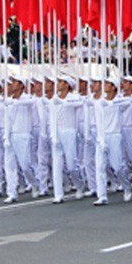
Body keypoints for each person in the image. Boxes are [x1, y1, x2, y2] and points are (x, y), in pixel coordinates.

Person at [92, 77, 132, 205]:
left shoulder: (120, 101)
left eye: (109, 84)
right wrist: (100, 139)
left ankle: (126, 187)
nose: (106, 86)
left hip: (115, 135)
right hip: (102, 136)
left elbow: (128, 102)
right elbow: (98, 122)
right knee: (99, 167)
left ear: (114, 87)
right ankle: (102, 195)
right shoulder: (99, 103)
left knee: (118, 167)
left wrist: (111, 103)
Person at [50, 75, 85, 204]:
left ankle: (79, 184)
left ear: (67, 85)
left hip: (70, 131)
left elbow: (80, 103)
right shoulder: (54, 99)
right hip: (57, 131)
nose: (58, 84)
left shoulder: (73, 98)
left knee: (71, 165)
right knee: (57, 164)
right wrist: (53, 135)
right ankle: (58, 194)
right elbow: (52, 119)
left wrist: (63, 102)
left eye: (61, 82)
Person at [3, 76, 39, 203]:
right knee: (9, 165)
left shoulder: (27, 98)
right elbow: (7, 120)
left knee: (25, 166)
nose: (12, 85)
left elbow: (32, 102)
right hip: (11, 134)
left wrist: (15, 102)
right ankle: (11, 192)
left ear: (21, 86)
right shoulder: (8, 101)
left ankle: (34, 183)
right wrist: (6, 136)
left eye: (15, 83)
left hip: (23, 134)